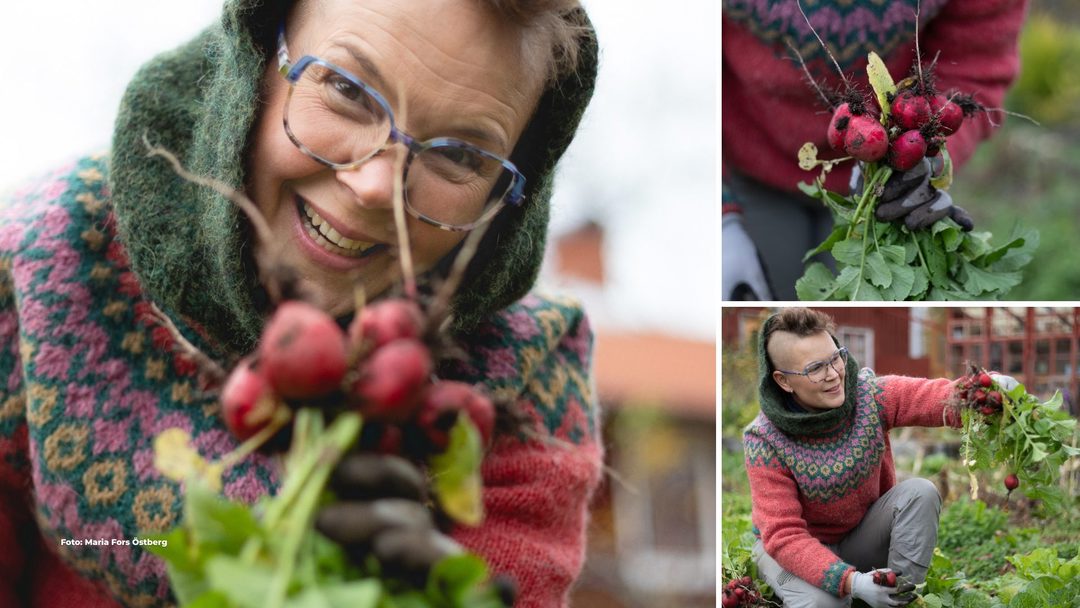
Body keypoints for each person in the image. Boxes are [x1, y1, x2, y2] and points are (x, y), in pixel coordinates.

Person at [0, 1, 603, 606]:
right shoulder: (53, 251)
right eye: (346, 88)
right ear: (258, 58)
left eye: (461, 156)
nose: (373, 184)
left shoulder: (524, 383)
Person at [721, 0, 1030, 300]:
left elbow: (975, 66)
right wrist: (720, 214)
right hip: (747, 161)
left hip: (890, 183)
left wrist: (929, 157)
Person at [744, 308, 1014, 607]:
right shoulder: (765, 439)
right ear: (784, 381)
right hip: (790, 554)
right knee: (825, 604)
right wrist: (851, 582)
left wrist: (984, 391)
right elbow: (784, 535)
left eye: (836, 357)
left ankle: (895, 598)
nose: (834, 374)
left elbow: (927, 396)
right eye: (815, 368)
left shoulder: (867, 396)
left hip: (858, 536)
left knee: (919, 493)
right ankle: (847, 589)